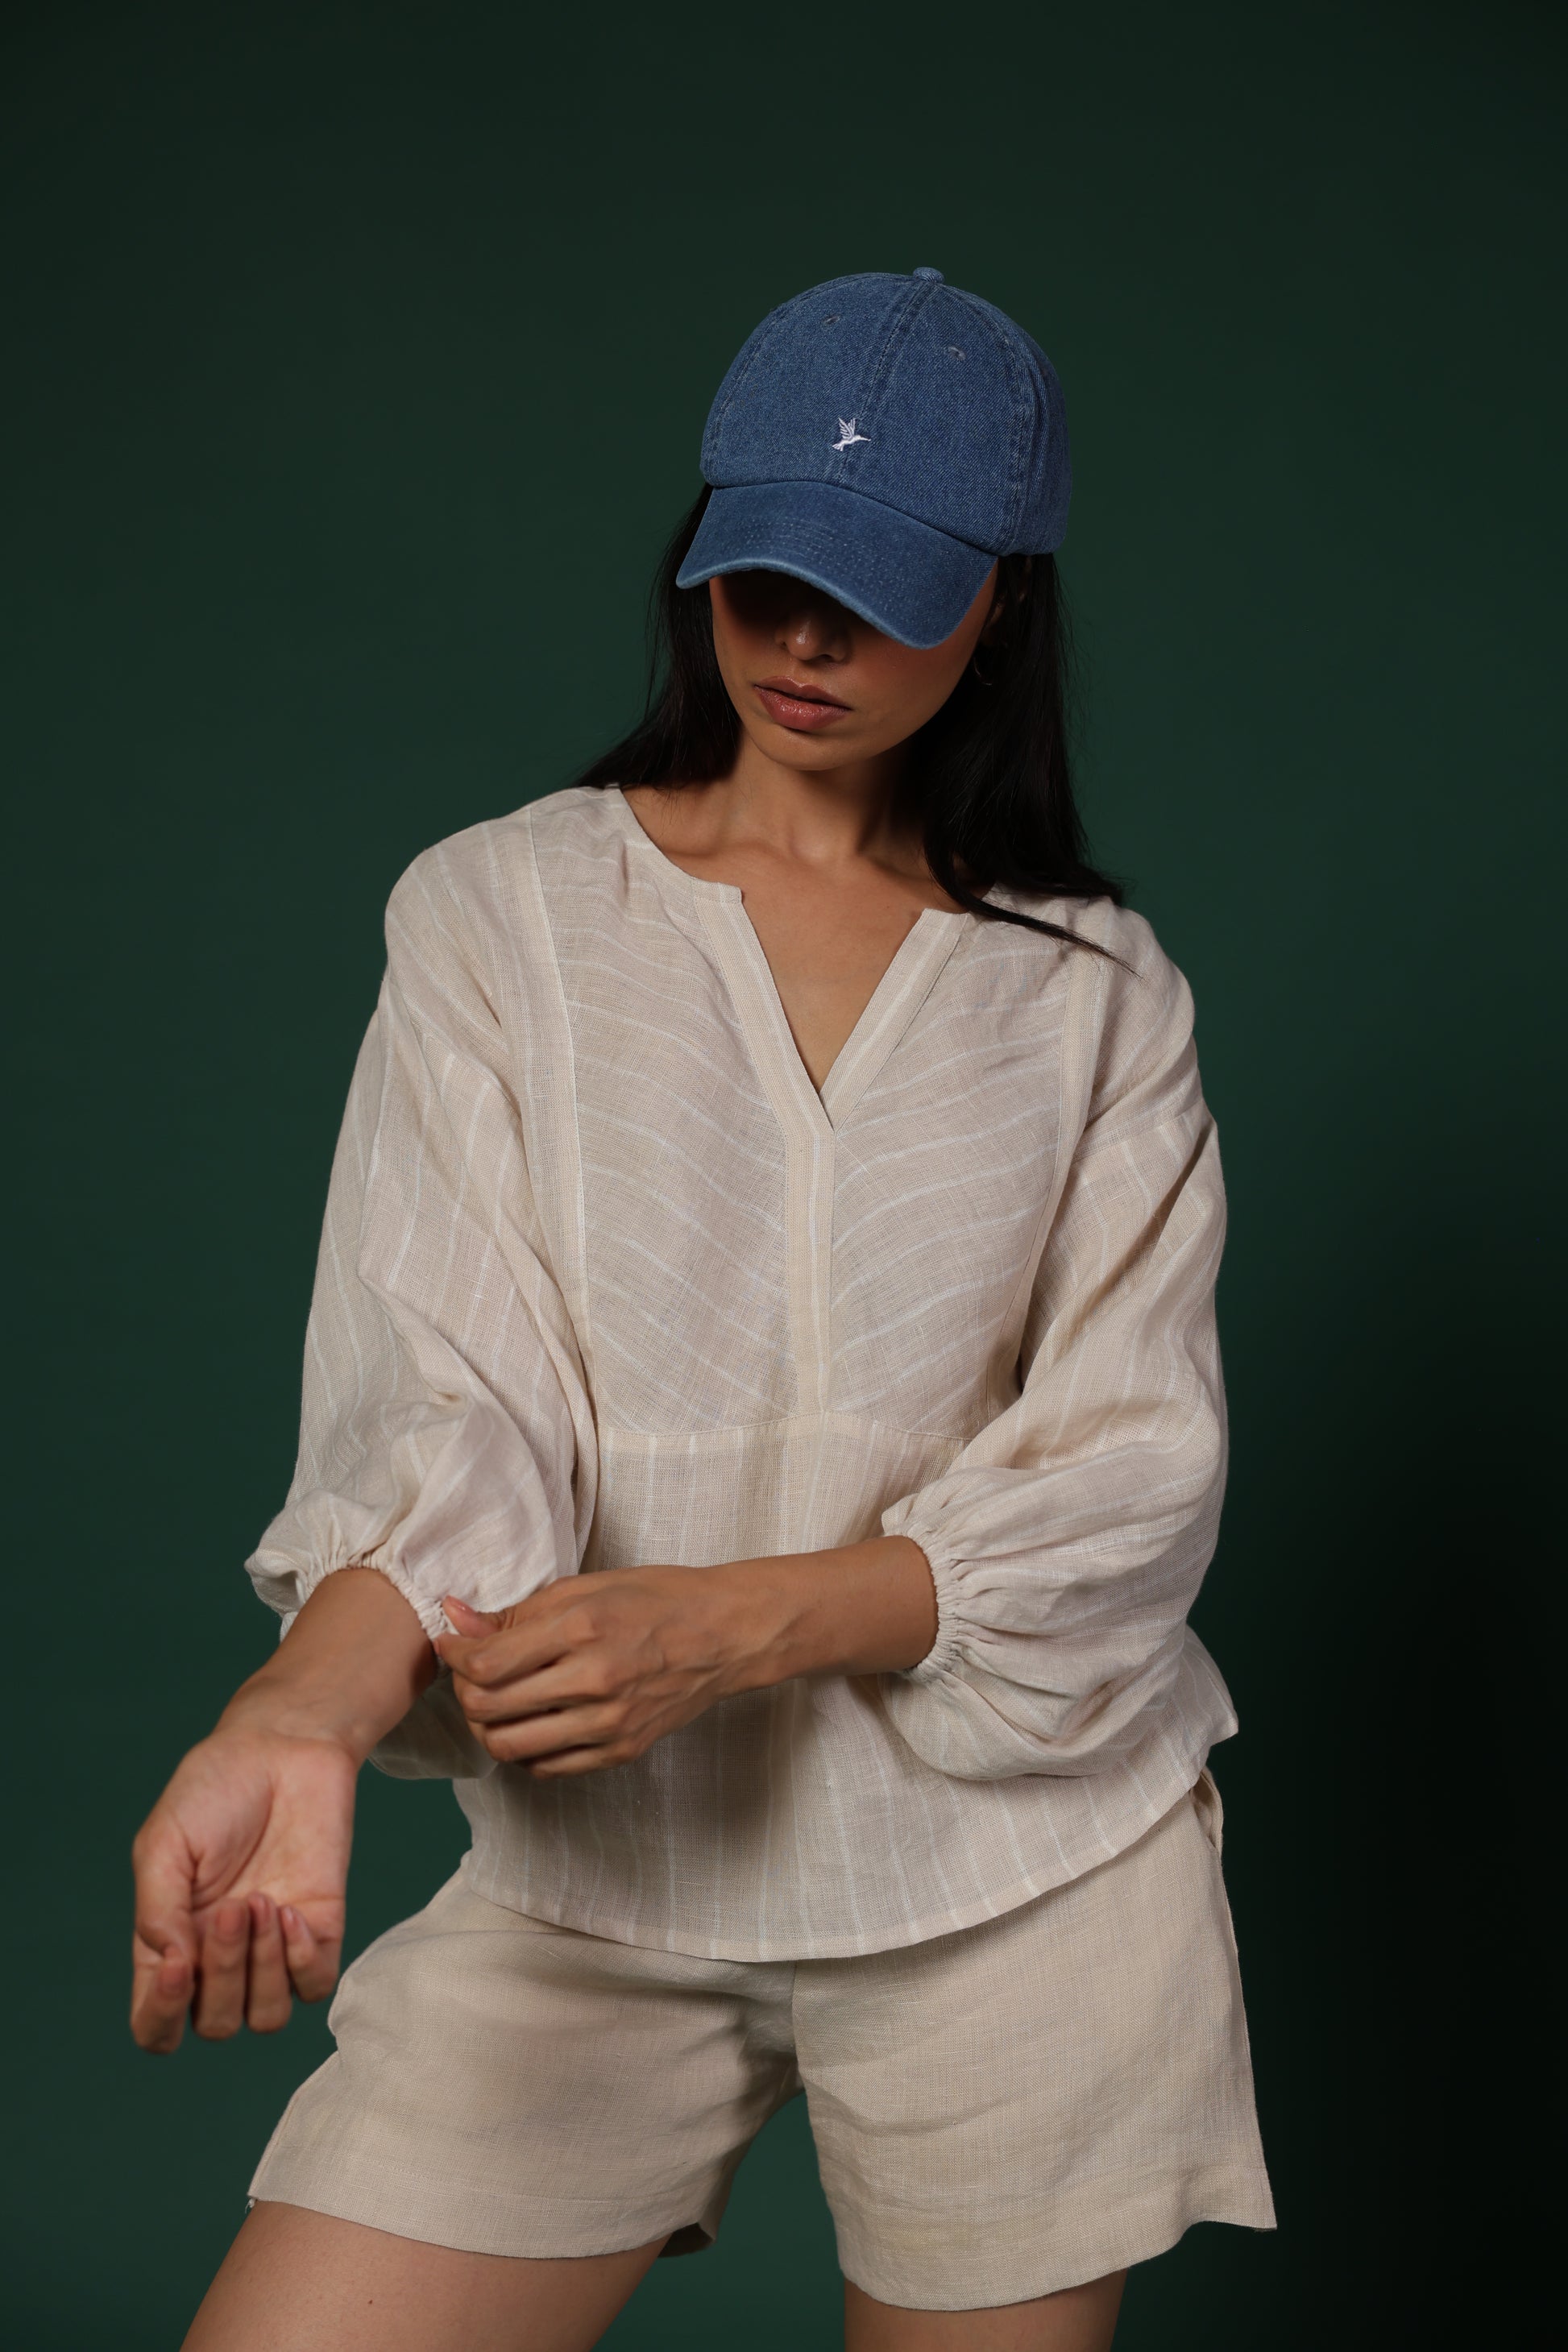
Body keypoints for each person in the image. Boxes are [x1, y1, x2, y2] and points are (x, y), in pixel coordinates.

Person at [131, 267, 1275, 2352]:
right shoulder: (501, 913)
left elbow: (1130, 1487)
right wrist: (294, 1712)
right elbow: (451, 1413)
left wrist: (733, 1624)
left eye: (873, 591)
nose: (805, 643)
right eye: (765, 575)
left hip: (1018, 1883)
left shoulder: (1097, 998)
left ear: (1002, 603)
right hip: (598, 1877)